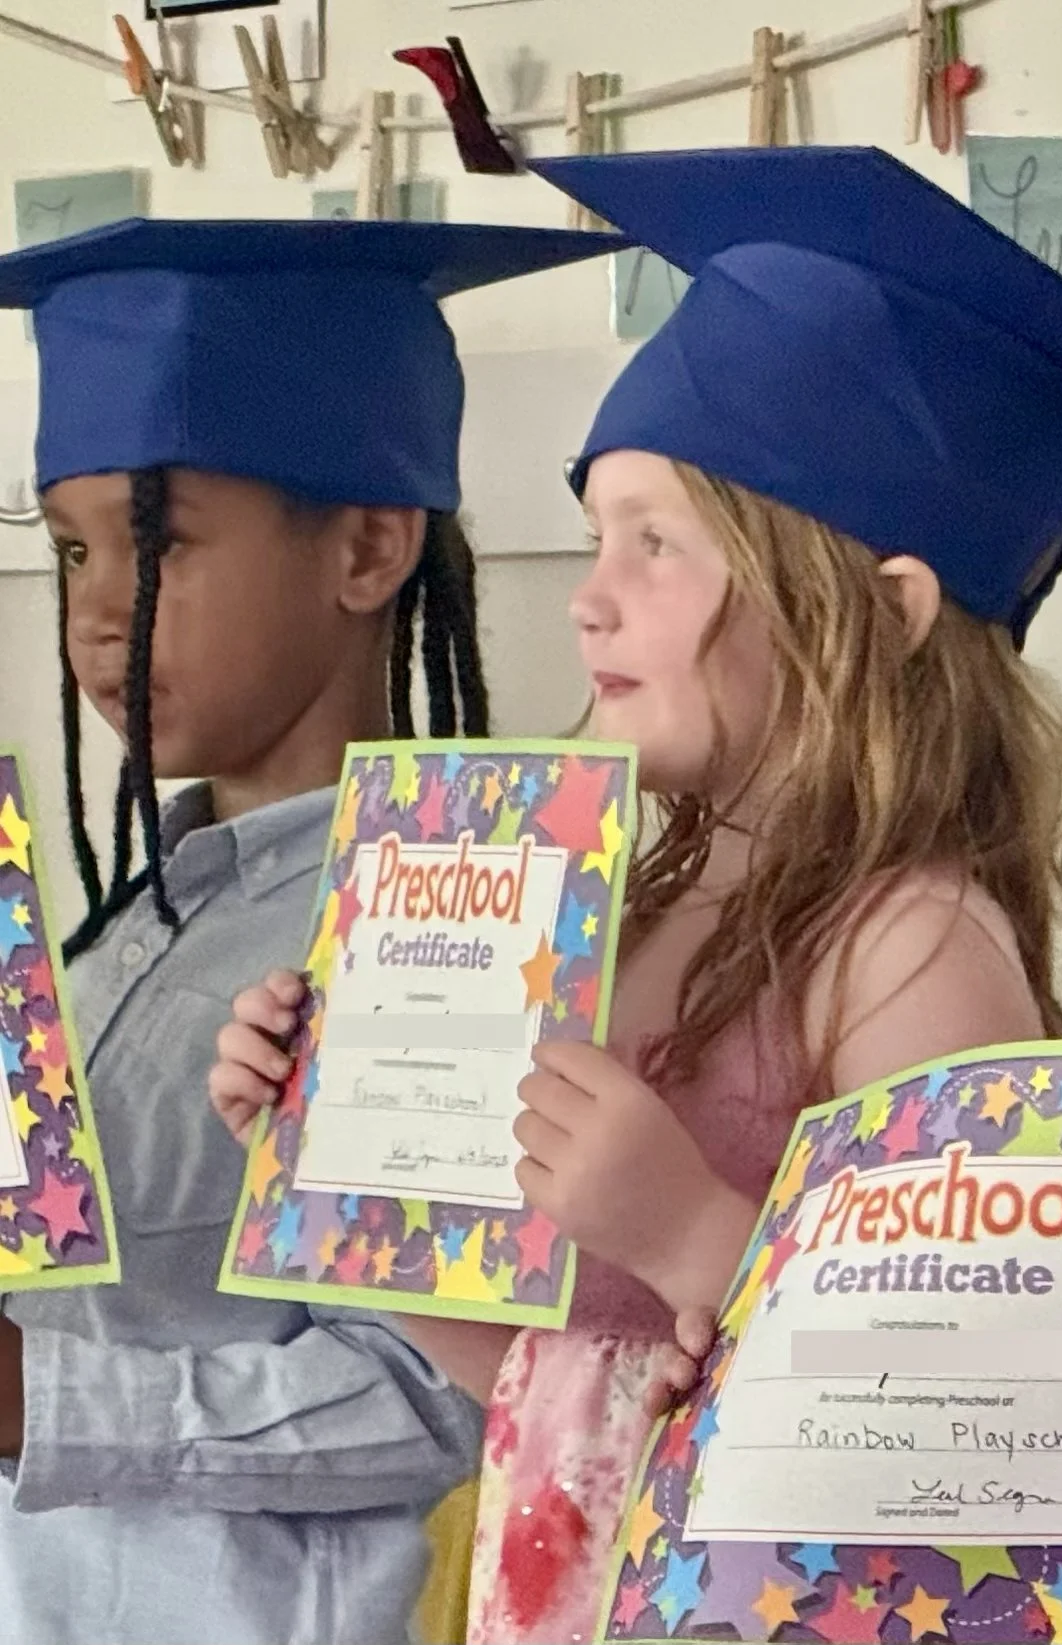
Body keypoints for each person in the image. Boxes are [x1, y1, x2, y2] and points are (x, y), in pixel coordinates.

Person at [211, 147, 1062, 1644]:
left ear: (878, 614)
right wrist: (338, 1174)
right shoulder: (629, 914)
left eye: (659, 544)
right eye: (596, 535)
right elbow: (564, 1381)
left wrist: (687, 1228)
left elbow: (972, 1407)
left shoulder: (911, 949)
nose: (589, 593)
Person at [0, 216, 618, 1645]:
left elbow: (435, 1397)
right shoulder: (113, 931)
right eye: (69, 548)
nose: (98, 615)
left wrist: (41, 1398)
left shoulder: (455, 922)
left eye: (158, 545)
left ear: (366, 546)